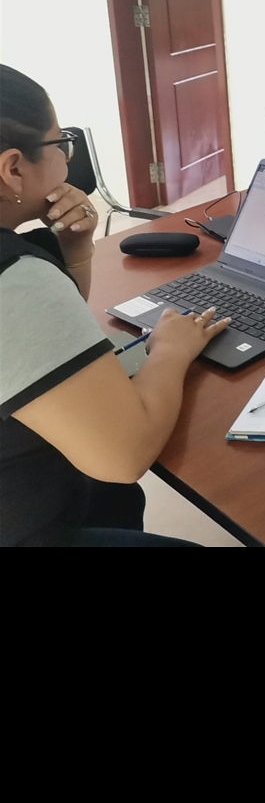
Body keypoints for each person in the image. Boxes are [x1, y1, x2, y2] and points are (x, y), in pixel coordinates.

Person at [0, 67, 230, 548]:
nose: (66, 160)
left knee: (113, 498)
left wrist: (77, 247)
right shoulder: (14, 280)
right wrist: (170, 351)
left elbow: (34, 342)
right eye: (60, 144)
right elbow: (123, 457)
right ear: (13, 168)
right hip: (23, 523)